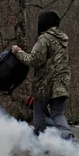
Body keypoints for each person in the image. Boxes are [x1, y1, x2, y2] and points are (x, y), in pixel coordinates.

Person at [12, 10, 73, 139]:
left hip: (45, 83)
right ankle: (66, 134)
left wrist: (18, 52)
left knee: (39, 112)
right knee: (58, 113)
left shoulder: (44, 38)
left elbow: (34, 60)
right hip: (62, 81)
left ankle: (41, 140)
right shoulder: (63, 39)